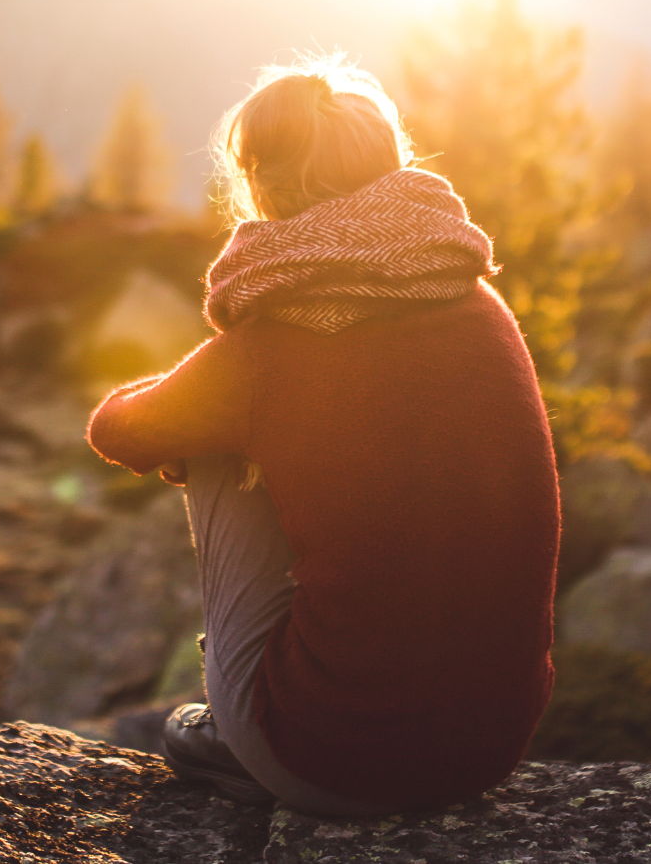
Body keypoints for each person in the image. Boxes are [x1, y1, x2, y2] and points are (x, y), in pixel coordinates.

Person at [87, 57, 560, 816]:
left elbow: (120, 430)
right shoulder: (479, 300)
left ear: (264, 187)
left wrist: (221, 407)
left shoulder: (272, 341)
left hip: (329, 762)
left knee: (209, 439)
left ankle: (243, 723)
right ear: (389, 165)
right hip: (491, 748)